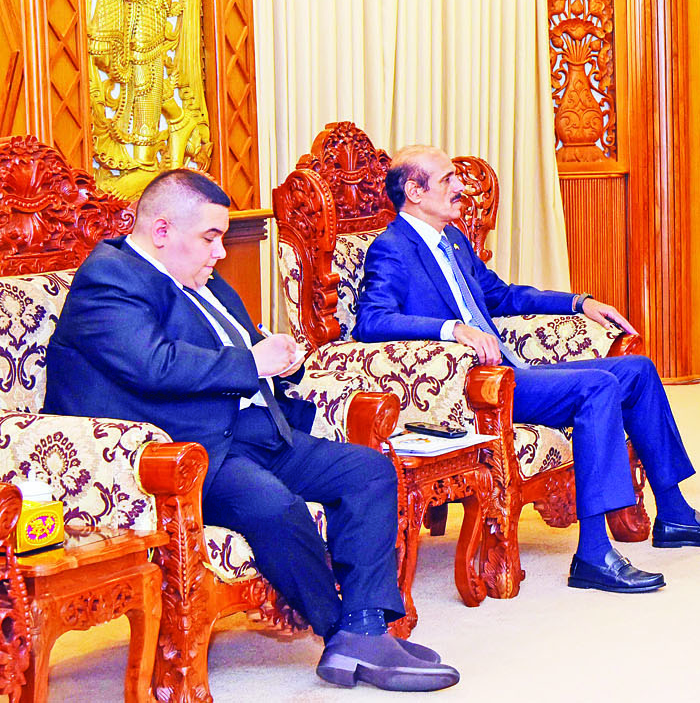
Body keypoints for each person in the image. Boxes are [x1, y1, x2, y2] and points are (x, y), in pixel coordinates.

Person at [45, 170, 459, 692]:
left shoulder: (203, 280)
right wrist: (253, 362)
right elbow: (154, 364)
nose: (220, 253)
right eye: (210, 237)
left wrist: (283, 359)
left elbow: (246, 344)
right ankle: (346, 635)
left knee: (369, 470)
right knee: (278, 508)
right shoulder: (109, 278)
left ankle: (365, 626)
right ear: (162, 230)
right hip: (177, 453)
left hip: (250, 433)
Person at [354, 146, 700, 594]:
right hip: (475, 388)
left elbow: (503, 297)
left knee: (637, 370)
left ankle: (674, 514)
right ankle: (594, 555)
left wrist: (579, 302)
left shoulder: (453, 241)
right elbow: (372, 320)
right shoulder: (392, 249)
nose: (460, 187)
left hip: (510, 371)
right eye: (448, 180)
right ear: (414, 191)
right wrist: (451, 330)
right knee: (598, 387)